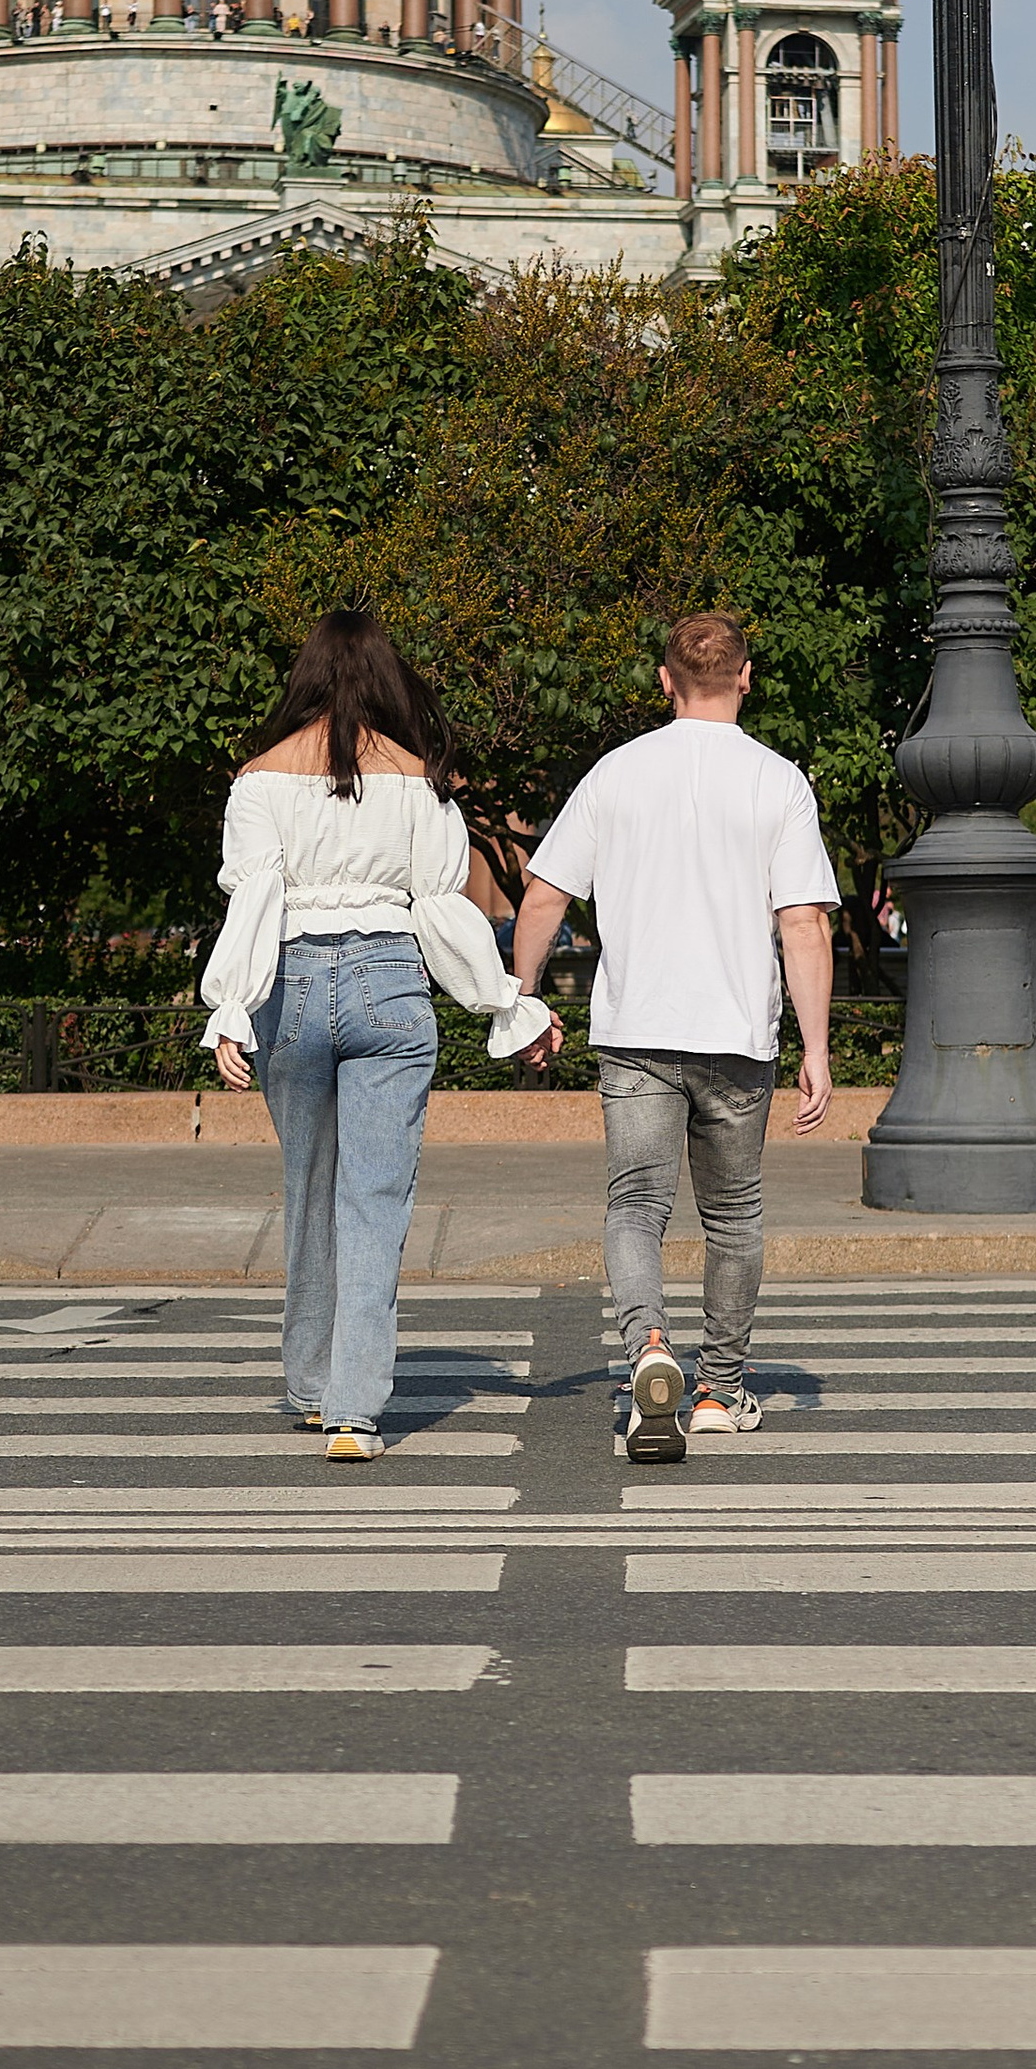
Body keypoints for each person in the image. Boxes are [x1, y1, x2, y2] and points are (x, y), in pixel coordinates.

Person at [203, 610, 558, 1459]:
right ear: (388, 679)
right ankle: (352, 1412)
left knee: (309, 1189)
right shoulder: (419, 778)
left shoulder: (258, 777)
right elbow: (442, 908)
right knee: (374, 1200)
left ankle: (310, 1381)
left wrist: (229, 1006)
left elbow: (255, 900)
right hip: (390, 982)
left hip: (290, 985)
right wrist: (505, 1004)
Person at [511, 610, 836, 1463]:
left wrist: (524, 999)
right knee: (733, 1216)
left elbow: (544, 894)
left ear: (664, 681)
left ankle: (648, 1345)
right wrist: (817, 1046)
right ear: (746, 676)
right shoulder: (778, 782)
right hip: (738, 1035)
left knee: (635, 1207)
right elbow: (803, 923)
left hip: (638, 1029)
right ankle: (720, 1390)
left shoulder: (616, 773)